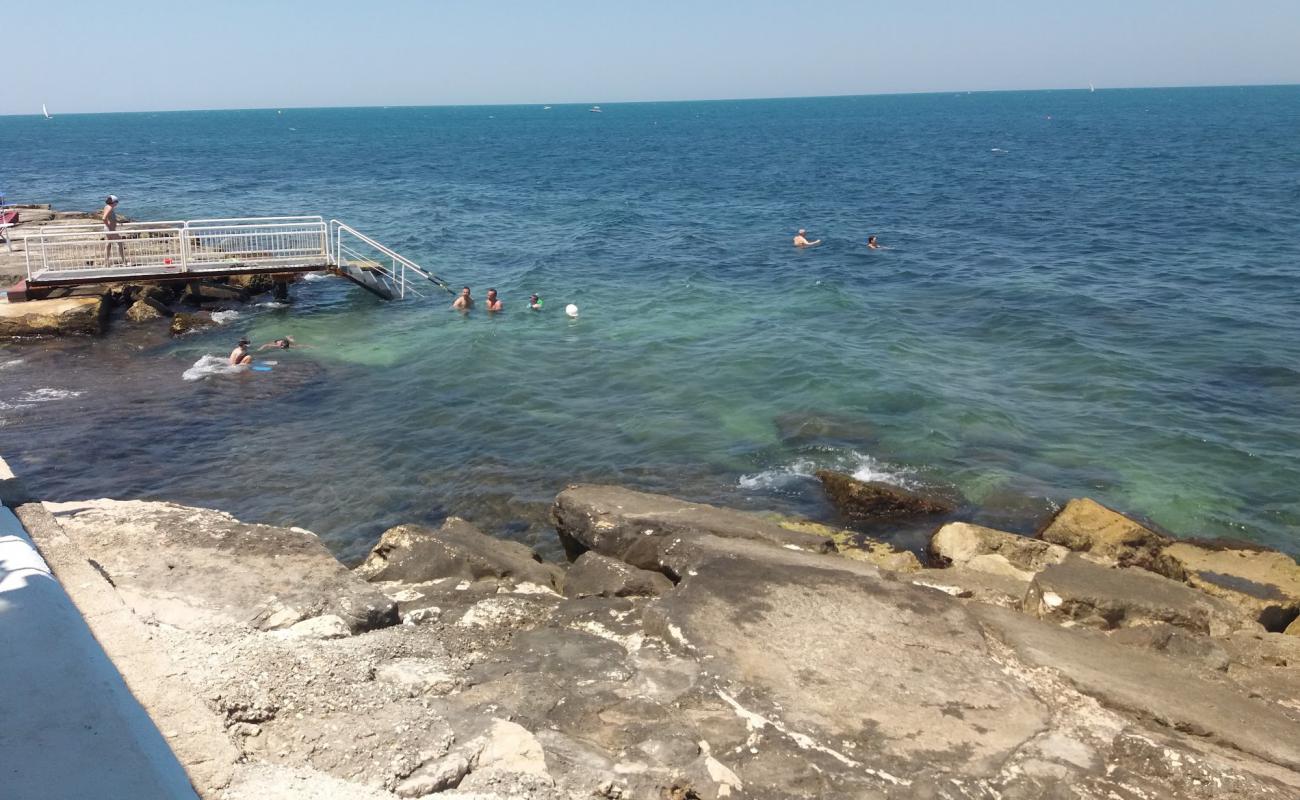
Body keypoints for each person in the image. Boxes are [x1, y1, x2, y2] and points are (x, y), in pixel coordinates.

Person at [102, 194, 126, 265]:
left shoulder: (106, 207)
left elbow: (110, 218)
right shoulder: (109, 208)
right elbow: (104, 218)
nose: (117, 203)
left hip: (108, 229)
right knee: (120, 243)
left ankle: (106, 263)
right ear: (113, 202)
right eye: (117, 201)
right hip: (110, 229)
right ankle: (124, 261)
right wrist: (109, 226)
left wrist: (117, 222)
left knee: (108, 245)